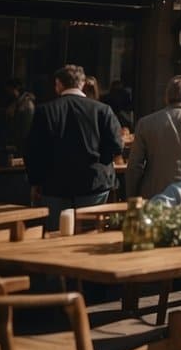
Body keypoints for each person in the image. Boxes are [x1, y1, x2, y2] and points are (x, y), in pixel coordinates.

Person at [24, 65, 123, 229]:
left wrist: (36, 181)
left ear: (58, 84)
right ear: (82, 83)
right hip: (93, 183)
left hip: (55, 183)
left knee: (56, 234)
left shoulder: (45, 111)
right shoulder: (102, 110)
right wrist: (100, 162)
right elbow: (115, 145)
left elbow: (33, 150)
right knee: (89, 236)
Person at [125, 75, 181, 201]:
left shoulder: (146, 123)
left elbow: (134, 167)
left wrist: (132, 197)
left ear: (166, 98)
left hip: (154, 195)